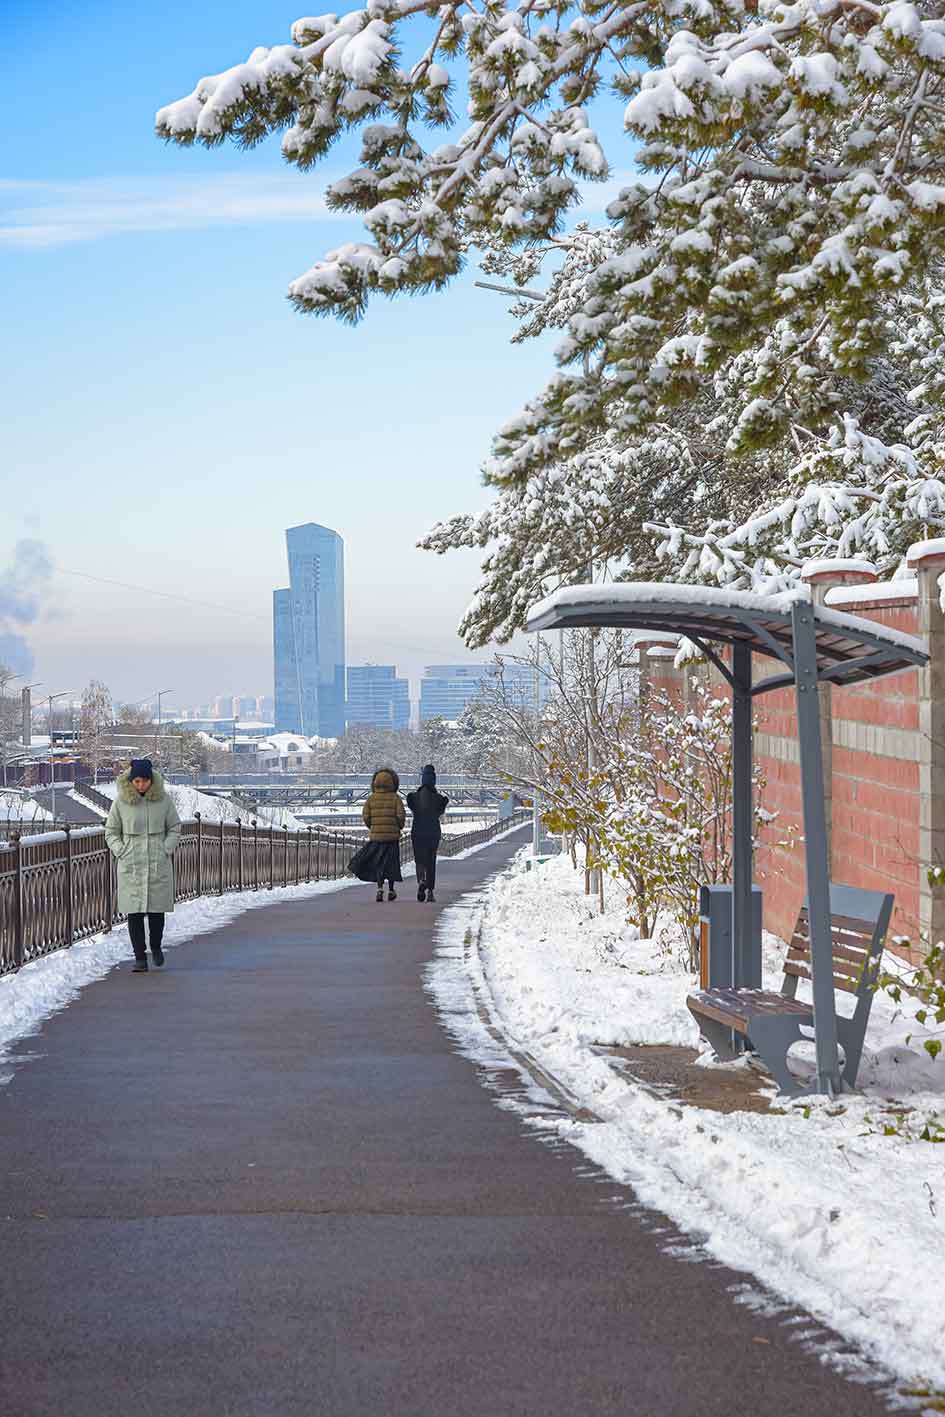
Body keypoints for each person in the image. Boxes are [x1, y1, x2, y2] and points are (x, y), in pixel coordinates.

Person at [105, 758, 181, 972]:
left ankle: (155, 946)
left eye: (144, 781)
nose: (141, 785)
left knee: (157, 911)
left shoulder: (163, 801)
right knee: (134, 912)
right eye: (137, 781)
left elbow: (175, 827)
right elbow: (111, 831)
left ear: (151, 781)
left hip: (157, 860)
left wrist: (166, 848)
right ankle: (139, 957)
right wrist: (121, 850)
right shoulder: (121, 802)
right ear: (131, 781)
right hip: (131, 862)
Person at [351, 767, 406, 902]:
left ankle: (380, 888)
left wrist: (373, 827)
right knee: (391, 864)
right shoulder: (396, 798)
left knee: (379, 863)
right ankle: (391, 890)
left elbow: (366, 816)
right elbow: (400, 816)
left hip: (377, 838)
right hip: (392, 838)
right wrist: (398, 826)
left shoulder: (371, 799)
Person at [407, 764, 448, 903]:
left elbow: (410, 804)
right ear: (434, 780)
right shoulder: (438, 799)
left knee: (419, 859)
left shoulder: (414, 797)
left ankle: (421, 881)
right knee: (431, 860)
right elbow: (441, 810)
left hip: (418, 831)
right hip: (433, 832)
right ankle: (430, 891)